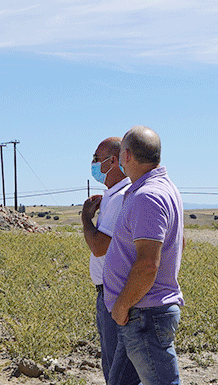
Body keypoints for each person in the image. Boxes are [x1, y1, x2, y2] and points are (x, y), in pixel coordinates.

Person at [103, 126, 184, 385]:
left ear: (126, 156)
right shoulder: (159, 189)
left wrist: (122, 306)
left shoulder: (148, 196)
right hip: (140, 315)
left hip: (143, 315)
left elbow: (148, 264)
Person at [81, 136, 136, 385]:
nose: (93, 164)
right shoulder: (113, 196)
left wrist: (85, 219)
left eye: (96, 158)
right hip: (109, 291)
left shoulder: (120, 197)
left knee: (116, 369)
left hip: (113, 292)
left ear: (112, 161)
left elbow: (99, 246)